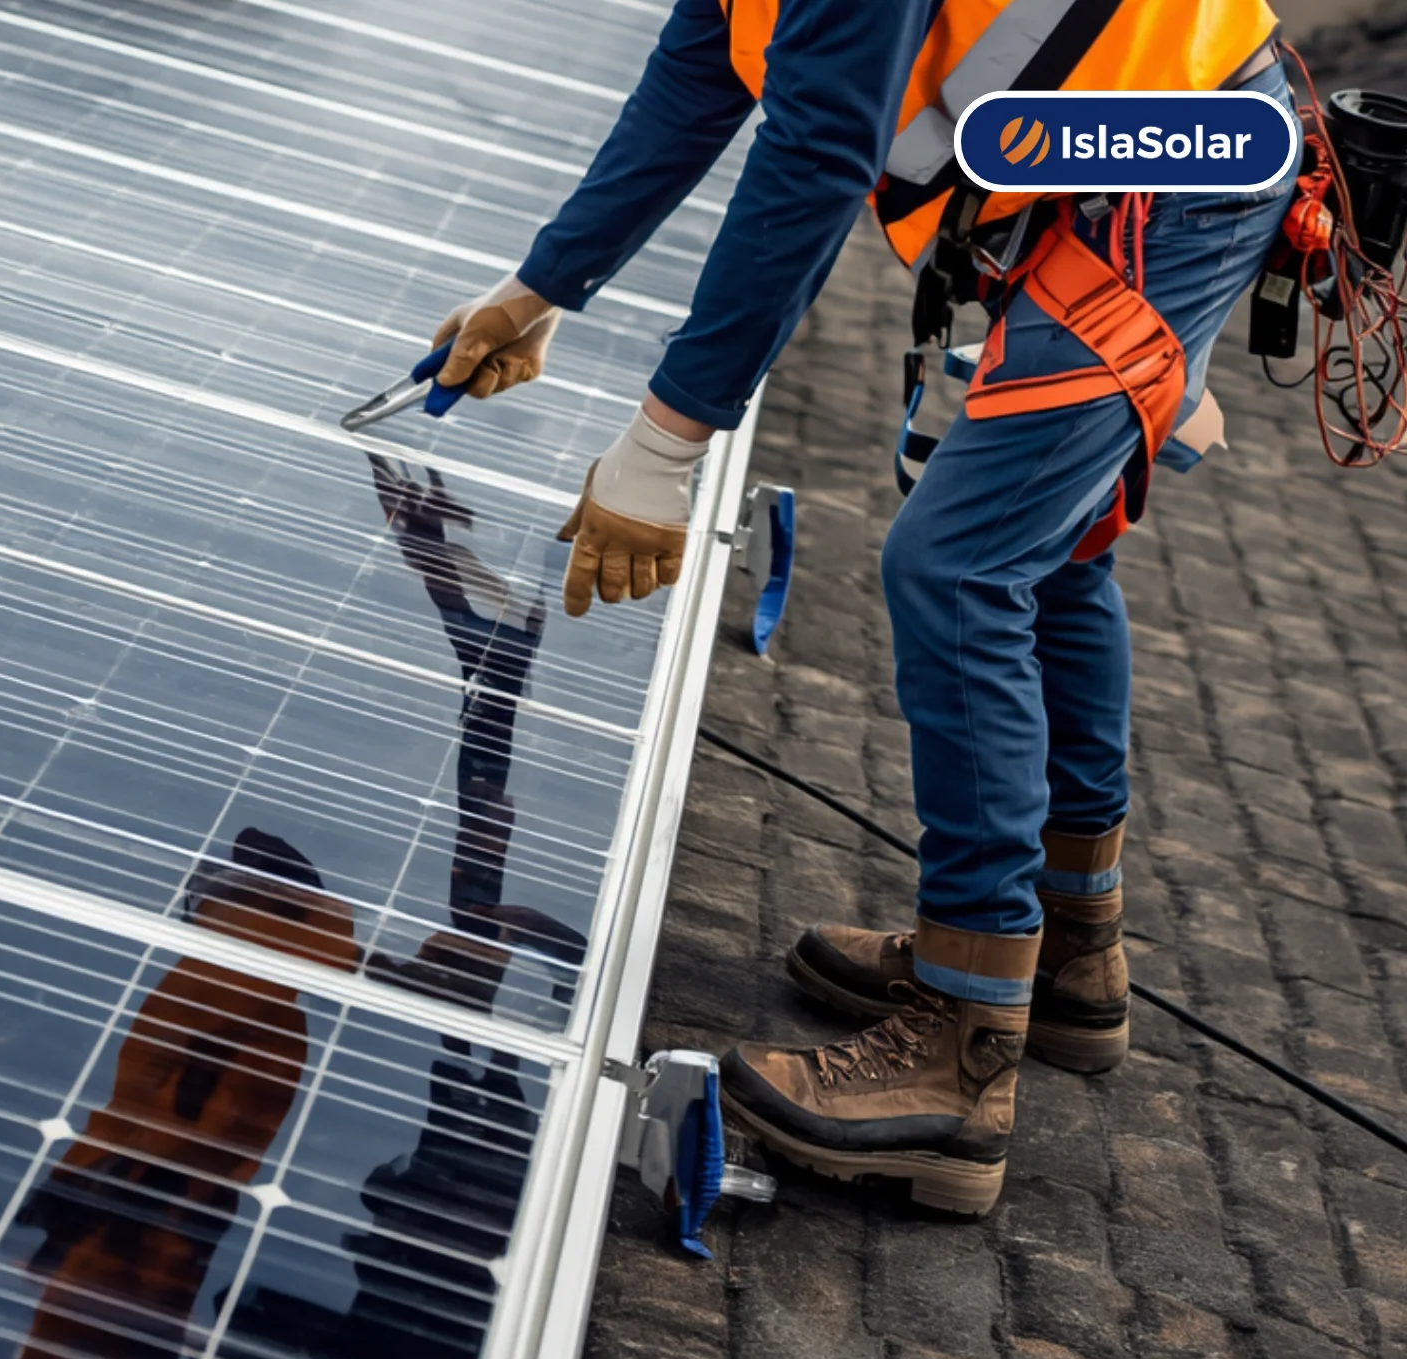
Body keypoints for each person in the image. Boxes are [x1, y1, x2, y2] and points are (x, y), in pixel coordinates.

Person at [425, 0, 1289, 1214]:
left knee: (958, 566)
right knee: (1045, 550)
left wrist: (664, 446)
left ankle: (959, 1056)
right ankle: (1061, 951)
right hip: (1112, 153)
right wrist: (539, 286)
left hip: (1167, 169)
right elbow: (699, 76)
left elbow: (818, 155)